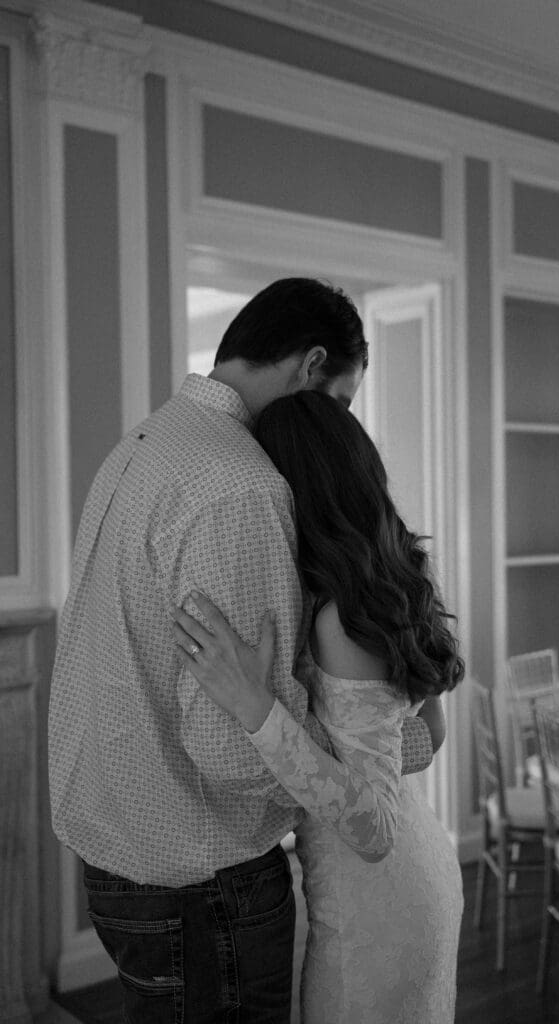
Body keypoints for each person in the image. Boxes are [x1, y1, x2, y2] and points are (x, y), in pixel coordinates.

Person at [48, 277, 436, 1024]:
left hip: (118, 853)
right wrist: (401, 743)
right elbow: (231, 751)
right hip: (202, 881)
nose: (338, 427)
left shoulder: (140, 446)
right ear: (311, 364)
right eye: (342, 401)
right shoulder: (242, 489)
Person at [173, 389, 465, 1023]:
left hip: (377, 905)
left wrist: (257, 708)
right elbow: (429, 732)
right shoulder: (387, 579)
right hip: (421, 873)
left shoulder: (339, 620)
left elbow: (373, 828)